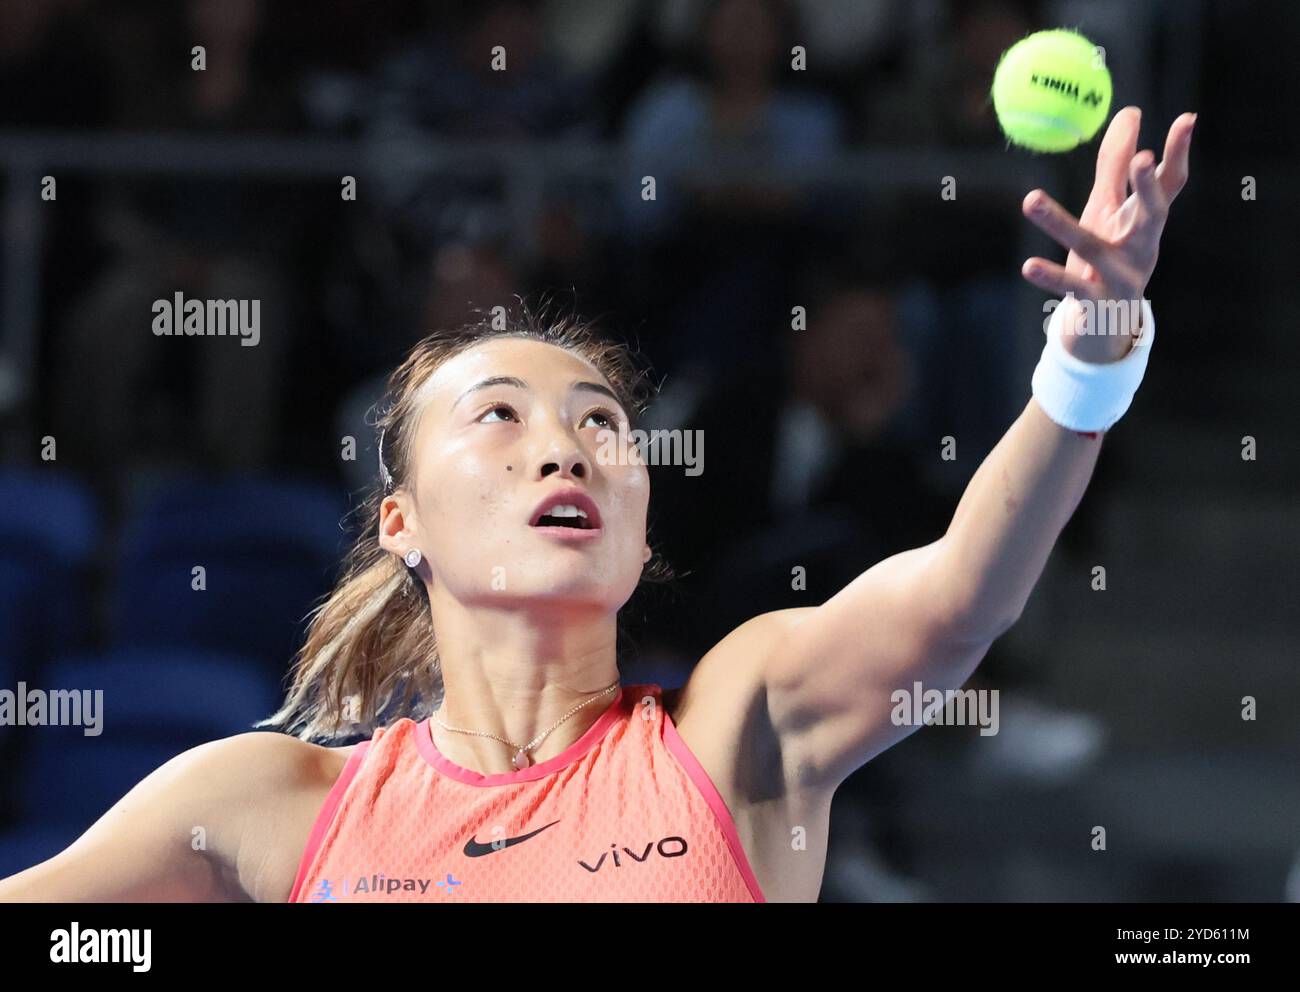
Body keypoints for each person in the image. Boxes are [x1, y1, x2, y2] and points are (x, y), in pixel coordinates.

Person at [0, 107, 1194, 902]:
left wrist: (1084, 368)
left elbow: (955, 596)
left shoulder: (737, 730)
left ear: (635, 521)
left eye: (601, 423)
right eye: (500, 416)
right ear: (399, 519)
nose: (564, 446)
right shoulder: (260, 804)